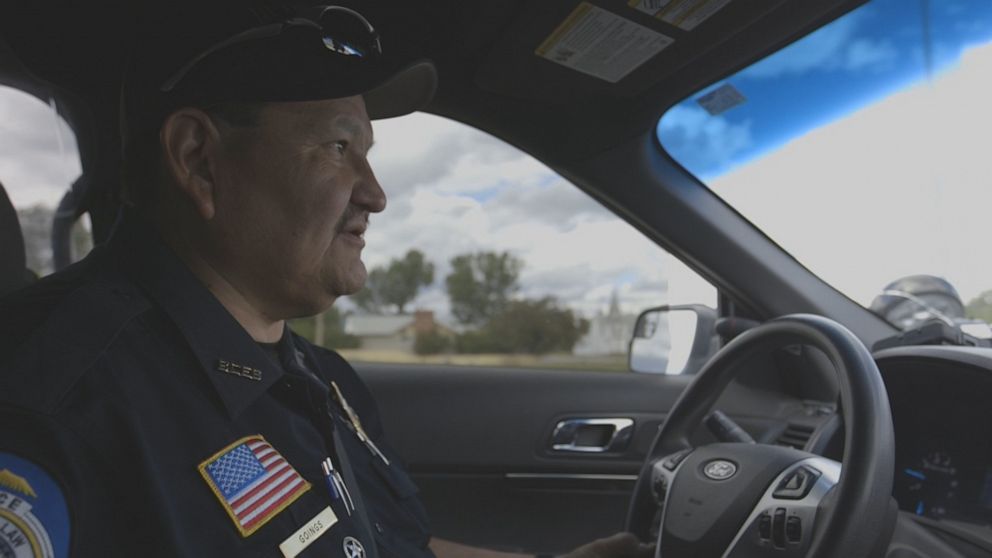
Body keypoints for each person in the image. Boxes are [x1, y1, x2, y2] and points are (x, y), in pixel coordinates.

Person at [0, 3, 654, 557]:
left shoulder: (320, 377)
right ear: (199, 159)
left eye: (367, 155)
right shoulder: (54, 402)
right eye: (339, 149)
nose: (375, 194)